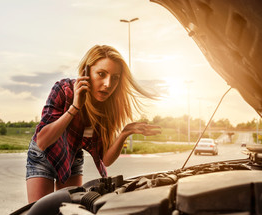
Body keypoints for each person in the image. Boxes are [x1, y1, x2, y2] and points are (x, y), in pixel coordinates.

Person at [26, 45, 161, 203]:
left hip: (73, 158)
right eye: (101, 74)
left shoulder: (108, 107)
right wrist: (75, 107)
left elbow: (107, 159)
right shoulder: (64, 90)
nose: (108, 84)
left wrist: (125, 133)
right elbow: (42, 141)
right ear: (86, 72)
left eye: (115, 77)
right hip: (43, 156)